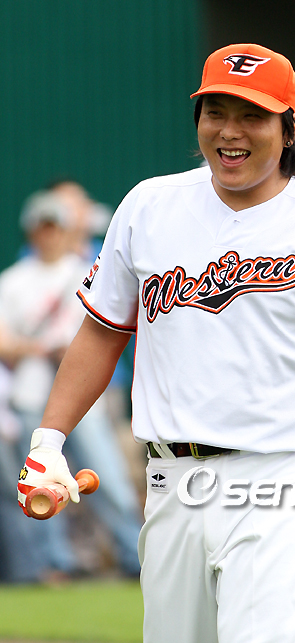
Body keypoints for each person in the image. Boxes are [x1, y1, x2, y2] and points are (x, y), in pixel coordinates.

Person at [17, 44, 295, 643]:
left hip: (282, 486)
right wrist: (48, 441)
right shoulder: (148, 206)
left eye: (253, 116)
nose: (230, 132)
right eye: (216, 112)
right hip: (171, 486)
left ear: (289, 128)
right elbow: (101, 334)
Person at [1, 190, 142, 578]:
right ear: (31, 232)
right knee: (36, 486)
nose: (48, 235)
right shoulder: (13, 280)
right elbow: (4, 341)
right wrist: (38, 348)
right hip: (30, 392)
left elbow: (104, 331)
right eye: (41, 227)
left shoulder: (85, 270)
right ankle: (52, 566)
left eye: (54, 227)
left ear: (65, 230)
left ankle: (134, 555)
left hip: (81, 396)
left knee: (108, 477)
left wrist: (64, 348)